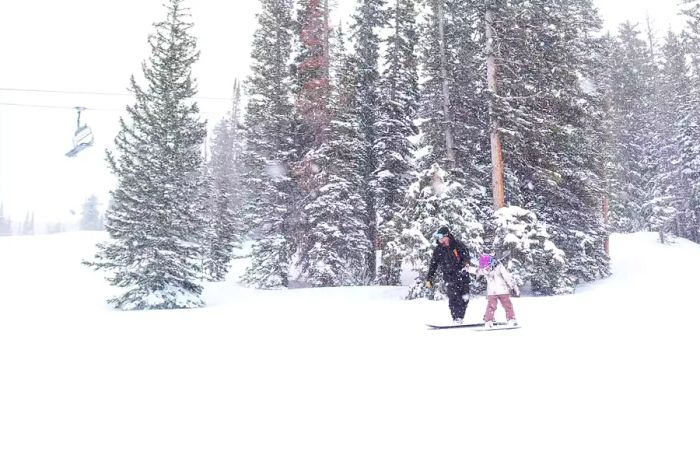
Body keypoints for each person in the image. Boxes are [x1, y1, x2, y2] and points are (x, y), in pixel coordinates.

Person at [425, 226, 471, 325]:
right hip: (450, 277)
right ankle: (456, 318)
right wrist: (429, 278)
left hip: (463, 276)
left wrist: (465, 264)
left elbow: (466, 256)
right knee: (454, 298)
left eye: (441, 237)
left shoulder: (457, 245)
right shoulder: (438, 250)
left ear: (447, 236)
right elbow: (433, 264)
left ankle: (460, 317)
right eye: (438, 237)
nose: (440, 239)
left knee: (465, 298)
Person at [467, 254, 519, 328]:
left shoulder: (499, 267)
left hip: (503, 291)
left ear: (491, 263)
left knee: (508, 305)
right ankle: (488, 321)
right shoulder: (483, 270)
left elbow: (507, 277)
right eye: (484, 268)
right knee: (491, 307)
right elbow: (476, 271)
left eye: (487, 267)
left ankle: (511, 319)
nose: (486, 270)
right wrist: (468, 269)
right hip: (492, 292)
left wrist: (513, 287)